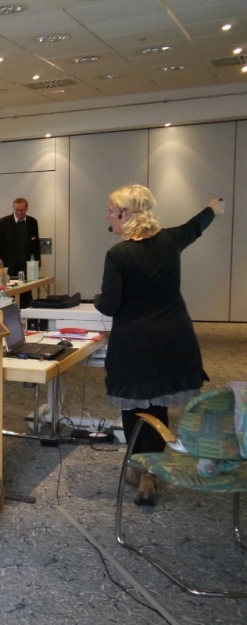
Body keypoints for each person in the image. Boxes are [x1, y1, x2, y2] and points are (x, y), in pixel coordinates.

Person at [95, 185, 224, 506]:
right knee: (157, 406)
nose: (107, 216)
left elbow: (109, 305)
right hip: (172, 341)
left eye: (110, 211)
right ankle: (150, 475)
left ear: (125, 213)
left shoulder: (118, 255)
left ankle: (138, 468)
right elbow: (195, 226)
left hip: (135, 344)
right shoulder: (170, 241)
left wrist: (96, 299)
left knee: (133, 407)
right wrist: (213, 208)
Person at [0, 197, 41, 308]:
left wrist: (38, 263)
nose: (19, 212)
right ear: (13, 209)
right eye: (17, 210)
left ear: (27, 209)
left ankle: (26, 314)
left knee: (26, 292)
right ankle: (10, 314)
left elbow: (36, 245)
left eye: (22, 210)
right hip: (9, 263)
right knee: (9, 292)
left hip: (26, 264)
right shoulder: (3, 222)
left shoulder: (32, 222)